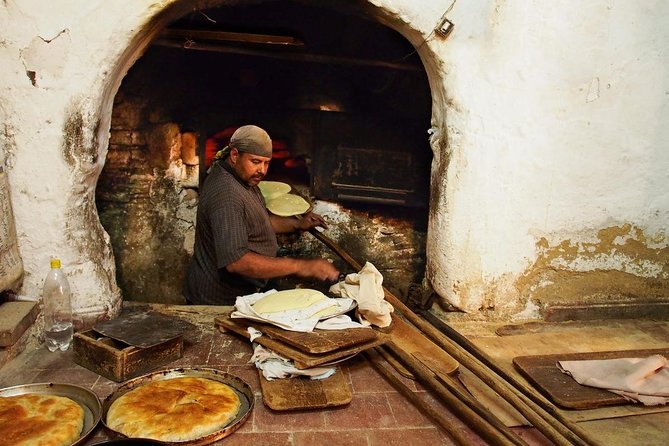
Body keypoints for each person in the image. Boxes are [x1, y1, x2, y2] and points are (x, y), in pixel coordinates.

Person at [183, 124, 340, 305]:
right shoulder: (226, 194)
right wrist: (301, 266)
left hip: (241, 293)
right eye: (256, 161)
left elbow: (256, 223)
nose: (262, 170)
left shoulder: (242, 176)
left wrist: (297, 224)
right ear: (234, 155)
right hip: (216, 302)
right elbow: (237, 262)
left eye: (266, 163)